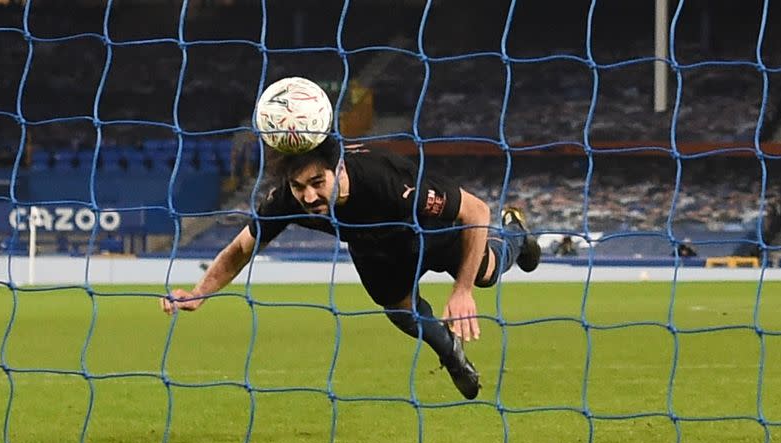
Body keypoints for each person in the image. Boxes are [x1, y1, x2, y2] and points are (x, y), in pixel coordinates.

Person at [161, 138, 541, 399]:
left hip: (427, 233)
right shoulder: (287, 201)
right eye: (298, 187)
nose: (309, 196)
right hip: (374, 250)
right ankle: (450, 353)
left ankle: (515, 236)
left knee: (485, 273)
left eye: (316, 183)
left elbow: (475, 211)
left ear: (337, 169)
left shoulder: (386, 179)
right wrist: (199, 293)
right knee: (402, 313)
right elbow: (240, 248)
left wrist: (462, 292)